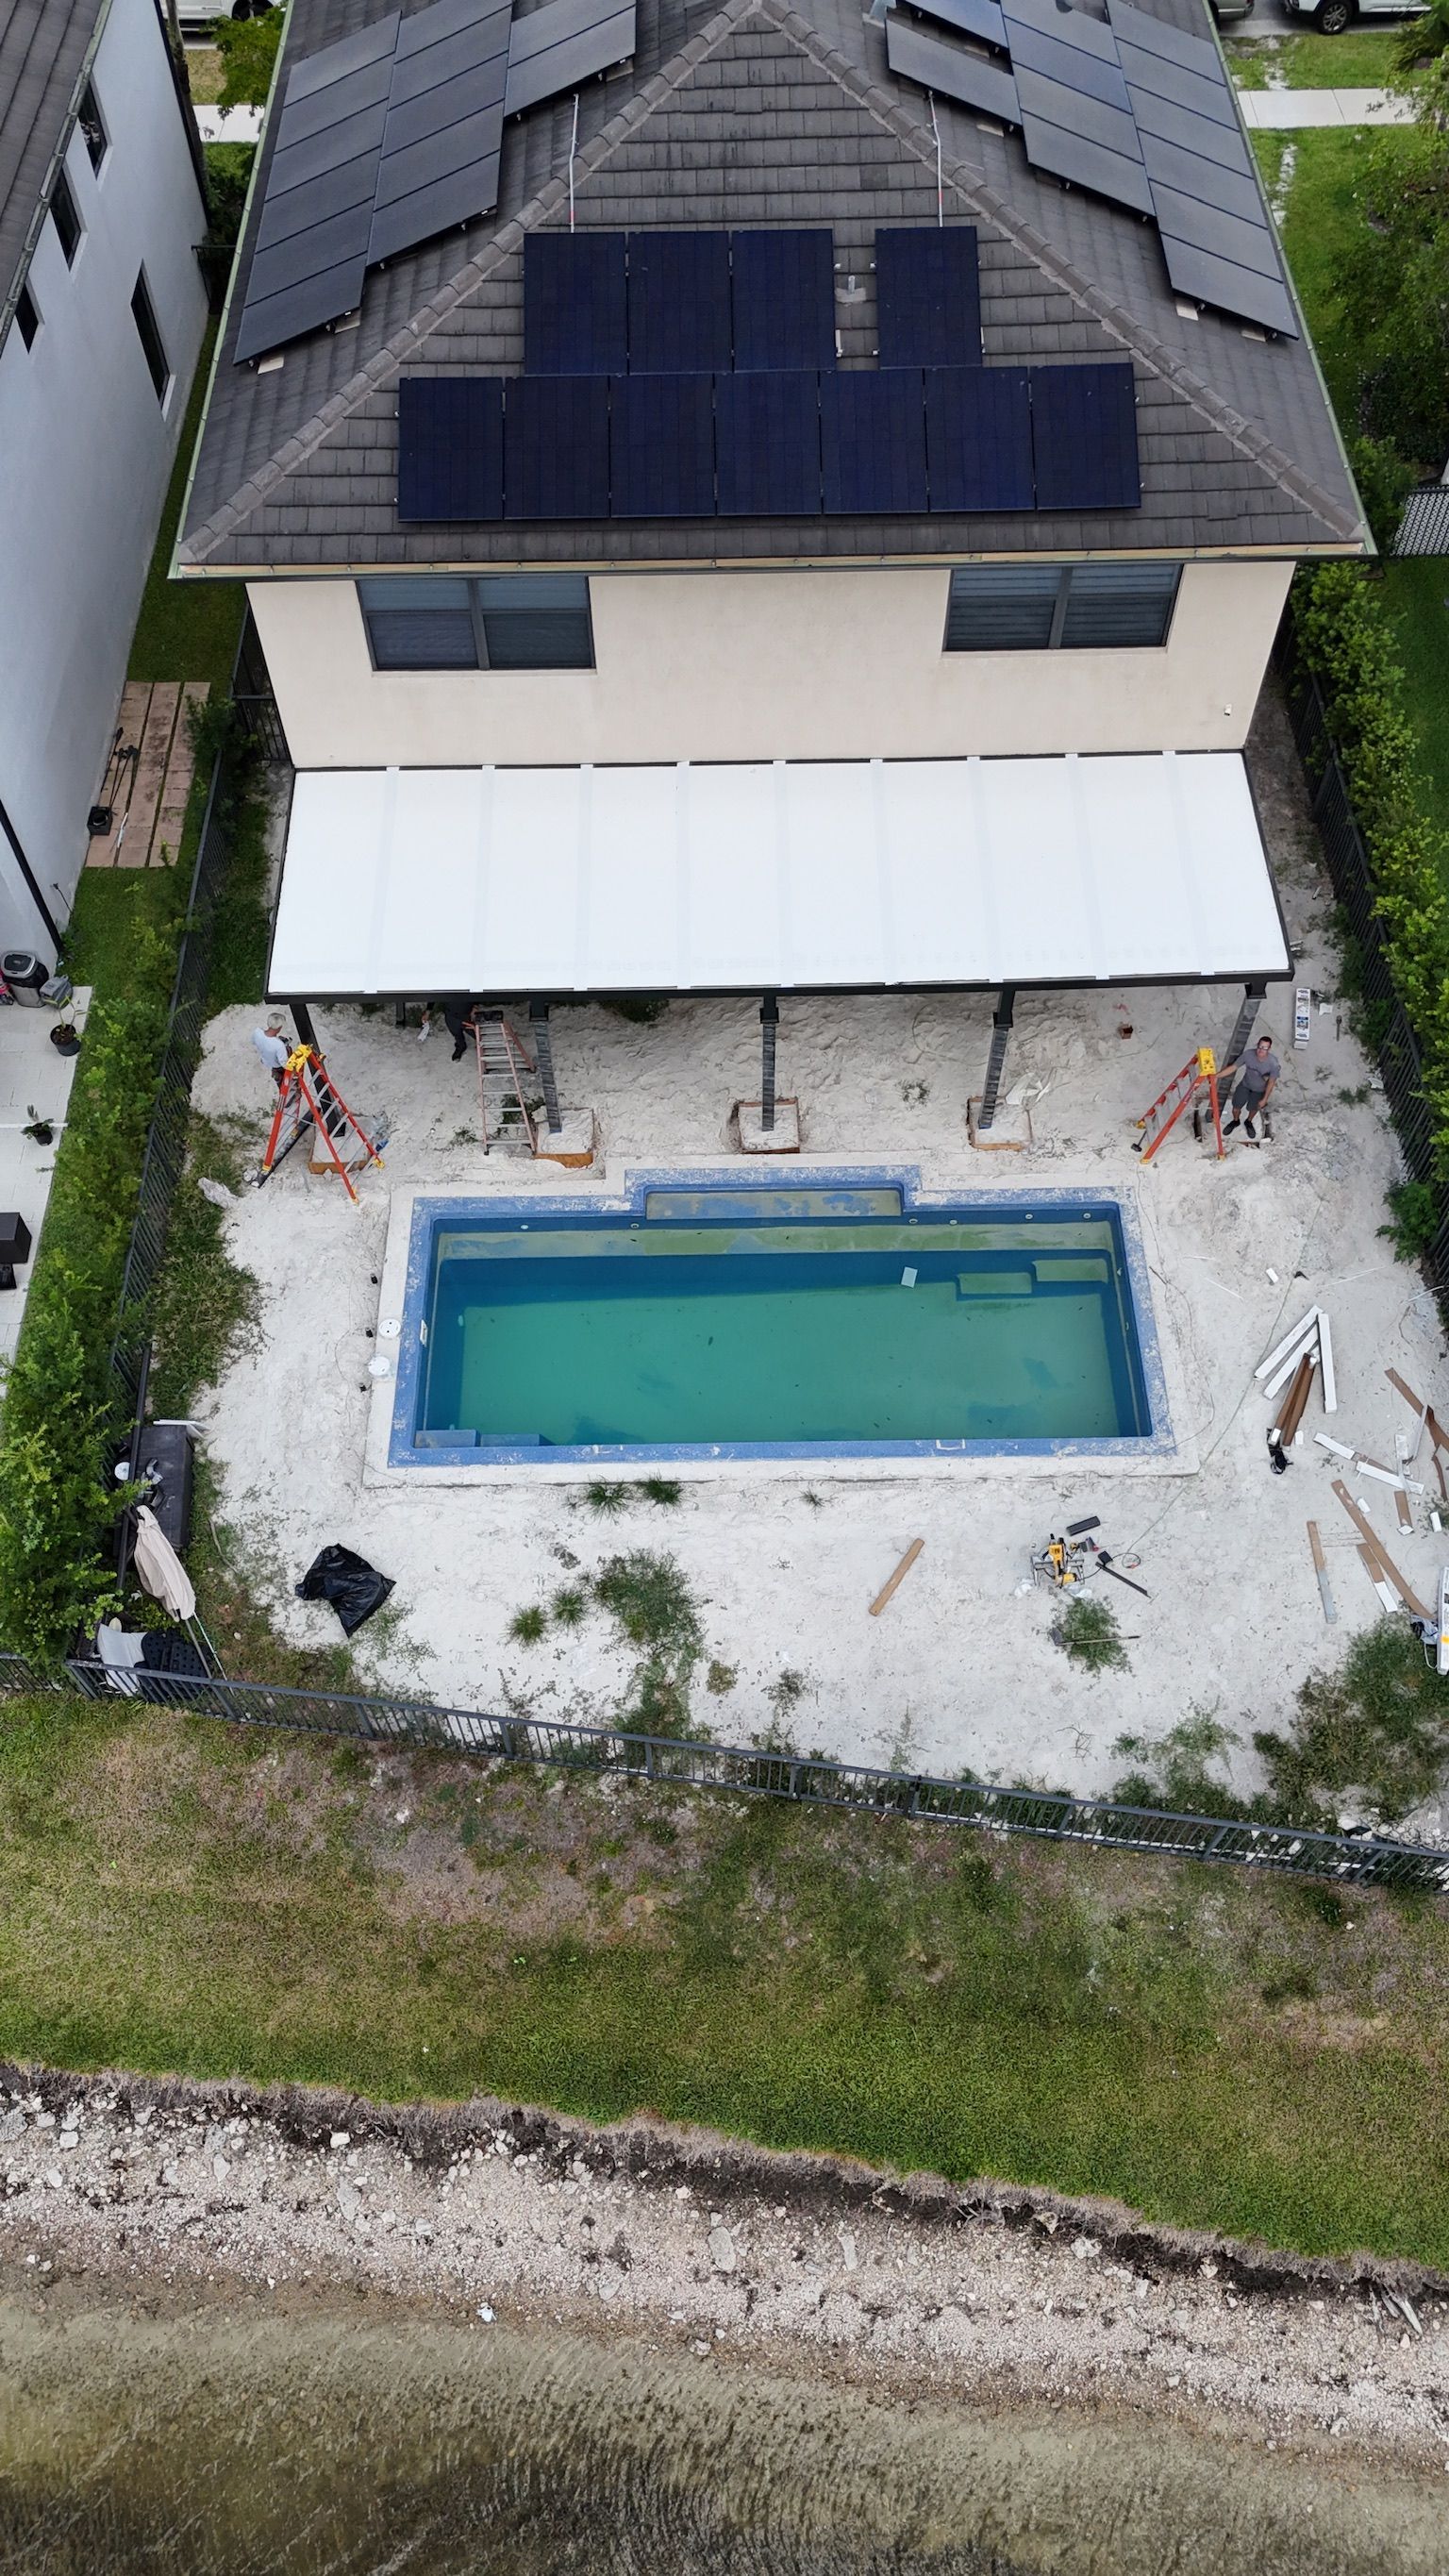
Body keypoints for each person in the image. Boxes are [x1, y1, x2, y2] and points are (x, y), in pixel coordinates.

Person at [1218, 1031, 1279, 1144]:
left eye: (1264, 1048)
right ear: (1257, 1046)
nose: (1261, 1050)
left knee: (1253, 1109)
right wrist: (1217, 1076)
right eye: (1260, 1047)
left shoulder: (1273, 1064)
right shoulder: (1248, 1055)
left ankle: (1248, 1122)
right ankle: (1235, 1121)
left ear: (1269, 1049)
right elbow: (1234, 1067)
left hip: (1259, 1090)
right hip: (1245, 1085)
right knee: (1236, 1106)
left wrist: (1265, 1099)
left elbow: (1271, 1082)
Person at [251, 1012, 291, 1089]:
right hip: (277, 1065)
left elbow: (253, 1041)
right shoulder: (279, 1045)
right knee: (289, 1050)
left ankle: (276, 1075)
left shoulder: (257, 1032)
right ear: (279, 1028)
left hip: (265, 1060)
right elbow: (284, 1063)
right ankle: (279, 1077)